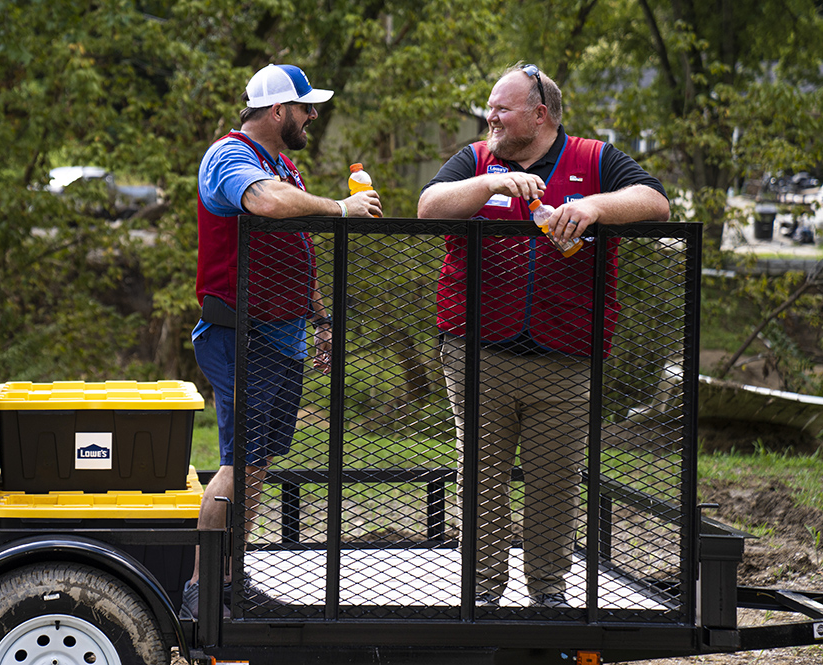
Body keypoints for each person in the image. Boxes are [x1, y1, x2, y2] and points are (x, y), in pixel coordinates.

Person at [417, 63, 669, 609]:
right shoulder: (475, 159)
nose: (491, 117)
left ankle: (548, 595)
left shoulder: (595, 159)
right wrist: (490, 183)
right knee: (480, 476)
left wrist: (592, 207)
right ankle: (481, 594)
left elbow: (656, 202)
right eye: (490, 107)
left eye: (502, 109)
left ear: (540, 114)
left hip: (567, 355)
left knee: (555, 479)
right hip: (476, 351)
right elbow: (428, 206)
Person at [181, 63, 383, 620]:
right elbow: (265, 204)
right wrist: (340, 208)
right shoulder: (230, 156)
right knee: (237, 463)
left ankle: (232, 579)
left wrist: (319, 319)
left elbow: (297, 248)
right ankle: (202, 589)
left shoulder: (282, 164)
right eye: (305, 107)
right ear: (277, 111)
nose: (312, 116)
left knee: (257, 465)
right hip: (239, 334)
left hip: (282, 334)